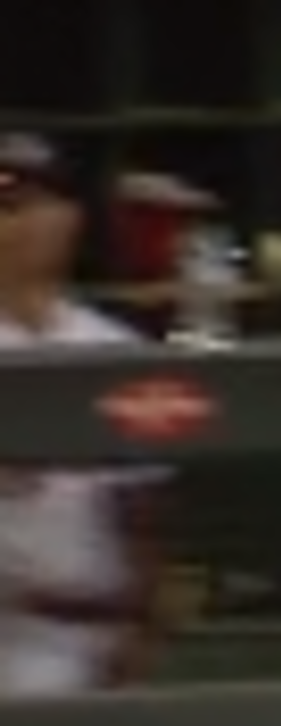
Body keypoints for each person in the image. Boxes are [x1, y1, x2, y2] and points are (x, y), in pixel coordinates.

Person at [0, 133, 172, 697]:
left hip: (80, 633)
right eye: (4, 209)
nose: (15, 226)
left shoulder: (111, 349)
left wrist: (140, 628)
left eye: (28, 206)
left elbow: (144, 509)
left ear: (70, 219)